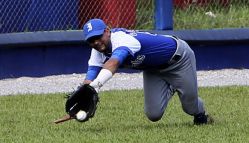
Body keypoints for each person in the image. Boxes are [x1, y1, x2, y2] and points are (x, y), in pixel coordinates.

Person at [82, 18, 213, 125]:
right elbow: (89, 78)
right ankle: (172, 86)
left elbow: (114, 63)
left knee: (190, 107)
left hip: (178, 60)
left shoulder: (122, 39)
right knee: (153, 114)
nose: (96, 42)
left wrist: (96, 86)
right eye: (91, 40)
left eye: (98, 36)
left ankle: (200, 115)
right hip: (153, 69)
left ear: (107, 31)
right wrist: (83, 96)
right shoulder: (97, 52)